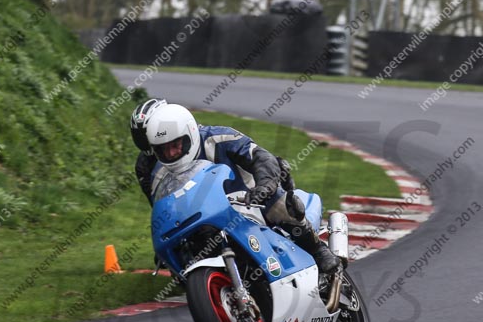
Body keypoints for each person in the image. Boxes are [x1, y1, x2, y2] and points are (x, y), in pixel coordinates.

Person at [131, 98, 340, 276]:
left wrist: (265, 185)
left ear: (190, 133)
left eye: (176, 146)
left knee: (280, 204)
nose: (170, 154)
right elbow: (162, 207)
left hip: (249, 200)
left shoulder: (219, 137)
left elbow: (260, 156)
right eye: (163, 149)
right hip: (203, 216)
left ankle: (317, 249)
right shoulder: (157, 171)